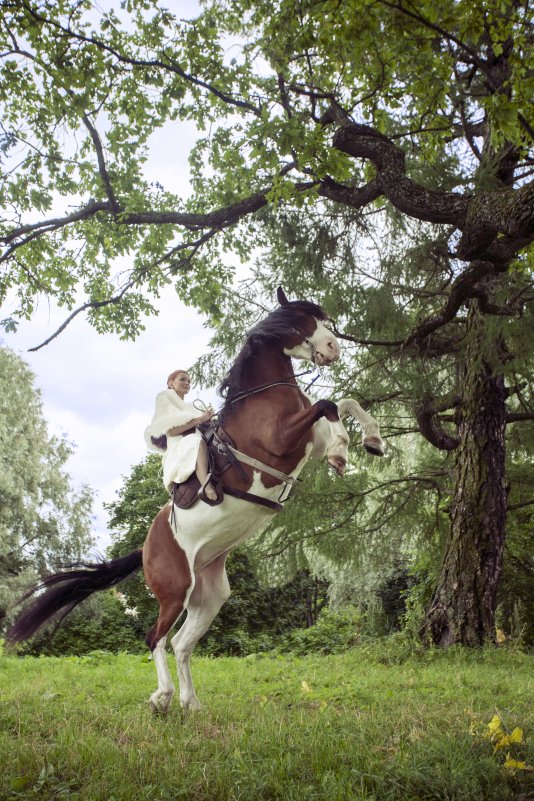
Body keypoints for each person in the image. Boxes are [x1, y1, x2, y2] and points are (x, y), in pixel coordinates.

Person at [144, 369, 218, 503]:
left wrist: (209, 419)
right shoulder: (164, 397)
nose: (187, 383)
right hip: (179, 443)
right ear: (170, 383)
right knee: (196, 442)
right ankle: (207, 486)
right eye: (182, 379)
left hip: (196, 437)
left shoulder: (190, 408)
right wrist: (199, 420)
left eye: (189, 381)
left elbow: (199, 425)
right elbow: (171, 432)